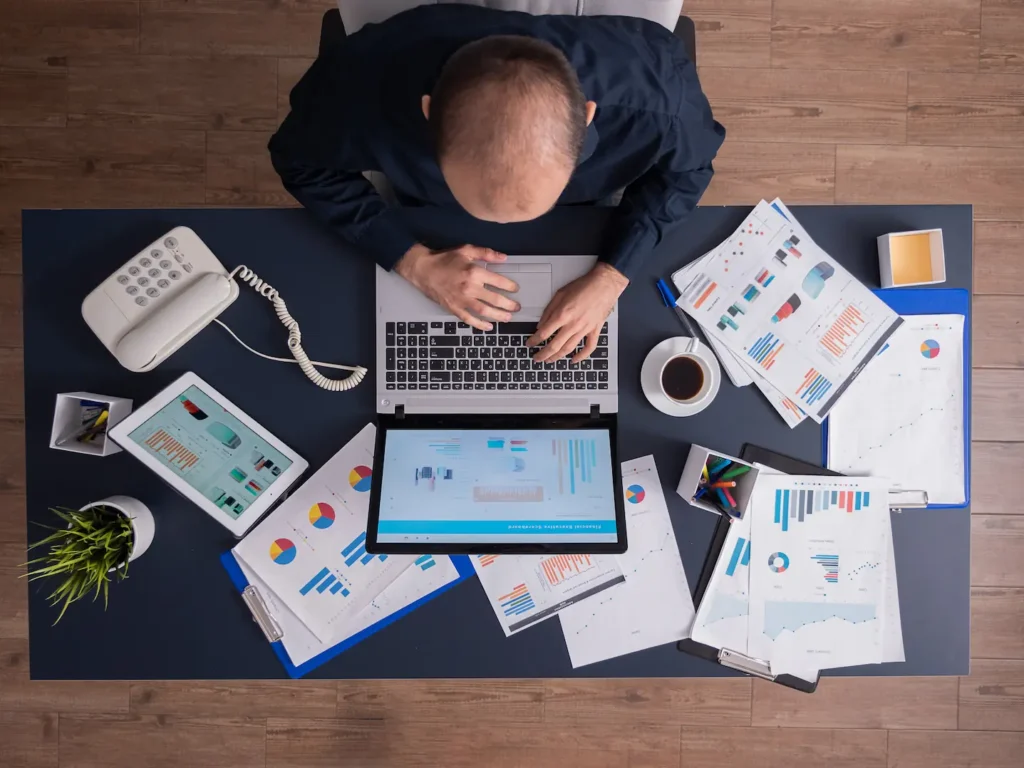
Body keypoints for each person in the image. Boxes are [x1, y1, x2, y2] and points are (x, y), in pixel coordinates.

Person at [270, 3, 724, 362]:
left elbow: (689, 170)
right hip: (426, 223)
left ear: (586, 118)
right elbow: (299, 160)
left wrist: (613, 274)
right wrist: (411, 260)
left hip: (589, 218)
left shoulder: (661, 105)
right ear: (429, 114)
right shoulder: (360, 92)